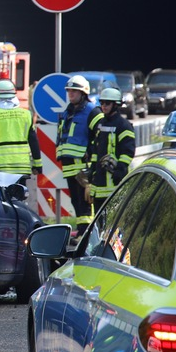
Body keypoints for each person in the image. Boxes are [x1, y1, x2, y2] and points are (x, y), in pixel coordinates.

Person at [57, 74, 102, 233]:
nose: (70, 94)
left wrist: (92, 163)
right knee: (76, 201)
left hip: (84, 165)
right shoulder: (67, 112)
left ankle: (86, 234)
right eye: (69, 91)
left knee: (85, 202)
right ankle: (82, 231)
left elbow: (99, 139)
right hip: (69, 165)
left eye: (74, 91)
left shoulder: (93, 111)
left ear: (83, 93)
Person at [87, 87, 136, 215]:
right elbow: (95, 149)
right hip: (99, 182)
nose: (103, 106)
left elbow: (128, 151)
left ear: (116, 105)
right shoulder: (101, 124)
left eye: (107, 103)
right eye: (102, 103)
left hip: (114, 182)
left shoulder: (123, 126)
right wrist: (92, 169)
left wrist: (120, 169)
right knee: (98, 218)